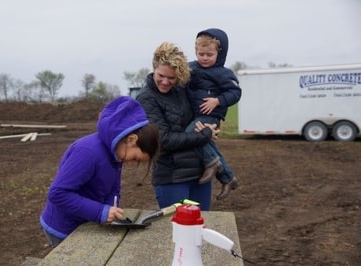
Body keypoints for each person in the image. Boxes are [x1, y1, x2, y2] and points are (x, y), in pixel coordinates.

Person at [39, 96, 160, 248]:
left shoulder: (116, 152)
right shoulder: (87, 152)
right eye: (135, 158)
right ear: (131, 139)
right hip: (63, 228)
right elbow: (58, 193)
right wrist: (100, 212)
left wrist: (110, 210)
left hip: (84, 223)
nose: (129, 164)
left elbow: (113, 189)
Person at [136, 42, 220, 211]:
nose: (166, 82)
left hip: (199, 175)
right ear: (154, 68)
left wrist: (213, 125)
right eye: (161, 75)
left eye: (171, 78)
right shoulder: (146, 98)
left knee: (200, 229)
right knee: (178, 232)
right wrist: (204, 135)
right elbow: (163, 140)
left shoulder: (182, 90)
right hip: (172, 179)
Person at [186, 28, 242, 200]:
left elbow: (235, 93)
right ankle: (228, 178)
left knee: (189, 134)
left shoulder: (224, 74)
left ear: (219, 53)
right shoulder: (191, 68)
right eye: (201, 54)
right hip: (196, 116)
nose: (204, 58)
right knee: (208, 145)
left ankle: (212, 163)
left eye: (209, 54)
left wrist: (217, 101)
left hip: (211, 117)